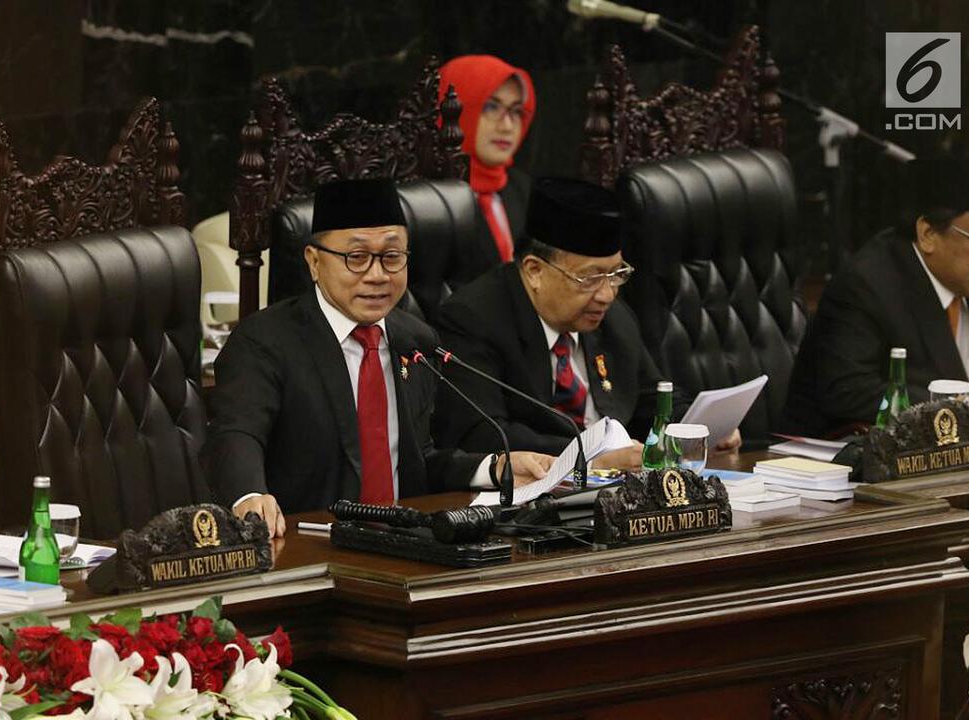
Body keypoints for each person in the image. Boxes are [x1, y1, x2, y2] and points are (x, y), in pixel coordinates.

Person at [204, 179, 555, 536]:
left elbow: (417, 461)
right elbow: (236, 433)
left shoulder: (415, 339)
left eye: (391, 257)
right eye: (356, 258)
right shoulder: (264, 341)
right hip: (309, 546)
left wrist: (496, 469)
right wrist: (249, 494)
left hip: (403, 547)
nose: (377, 276)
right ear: (314, 262)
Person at [434, 178, 741, 463]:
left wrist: (697, 427)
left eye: (616, 274)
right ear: (534, 271)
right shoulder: (473, 319)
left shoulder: (611, 316)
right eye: (590, 278)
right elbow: (483, 436)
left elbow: (652, 398)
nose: (607, 294)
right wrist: (592, 457)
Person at [784, 157, 969, 437]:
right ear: (928, 234)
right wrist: (957, 409)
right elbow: (848, 392)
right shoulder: (867, 285)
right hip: (841, 461)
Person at [439, 54, 537, 267]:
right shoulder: (430, 199)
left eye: (516, 111)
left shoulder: (522, 189)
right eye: (491, 107)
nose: (508, 126)